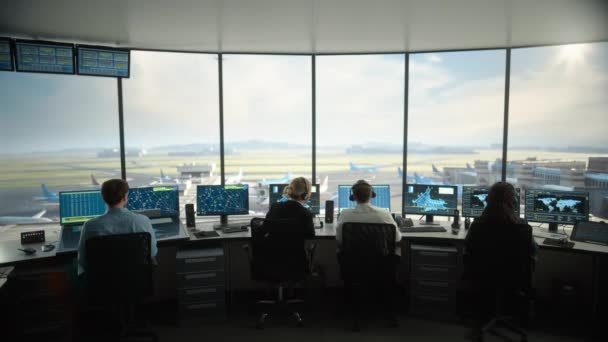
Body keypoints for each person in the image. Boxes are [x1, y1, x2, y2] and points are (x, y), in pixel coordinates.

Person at [77, 179, 158, 275]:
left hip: (101, 284)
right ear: (124, 197)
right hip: (136, 282)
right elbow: (152, 253)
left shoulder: (89, 226)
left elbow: (83, 261)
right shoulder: (143, 221)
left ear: (103, 198)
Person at [336, 179, 401, 249]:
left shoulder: (345, 214)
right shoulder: (385, 214)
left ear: (353, 197)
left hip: (353, 259)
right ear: (371, 195)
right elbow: (397, 238)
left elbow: (339, 238)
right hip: (380, 259)